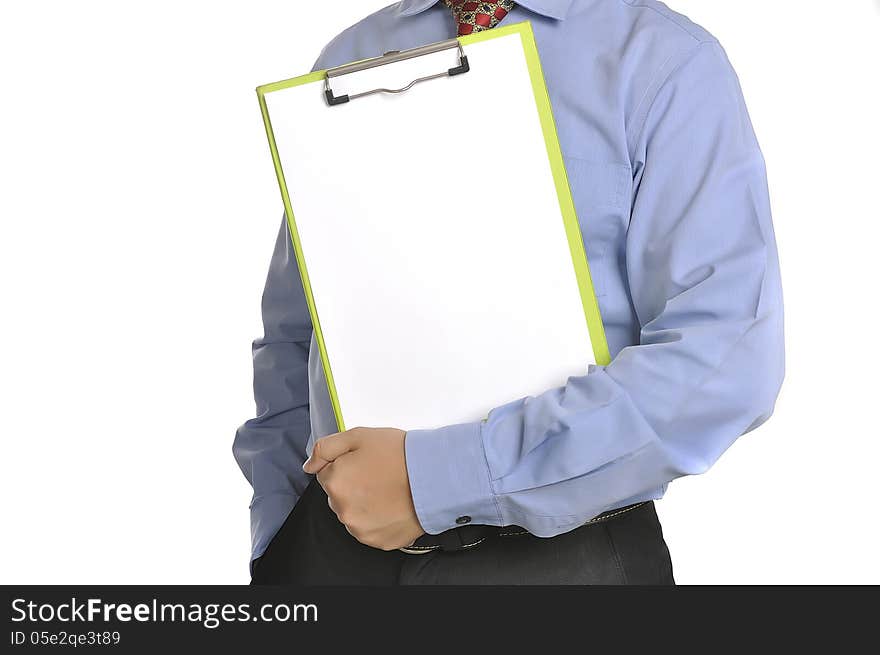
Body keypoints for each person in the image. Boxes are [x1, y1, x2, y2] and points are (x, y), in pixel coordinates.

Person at [235, 0, 784, 585]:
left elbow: (726, 356)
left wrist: (437, 479)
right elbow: (296, 332)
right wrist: (280, 537)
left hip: (562, 562)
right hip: (335, 553)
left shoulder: (666, 63)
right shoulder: (349, 57)